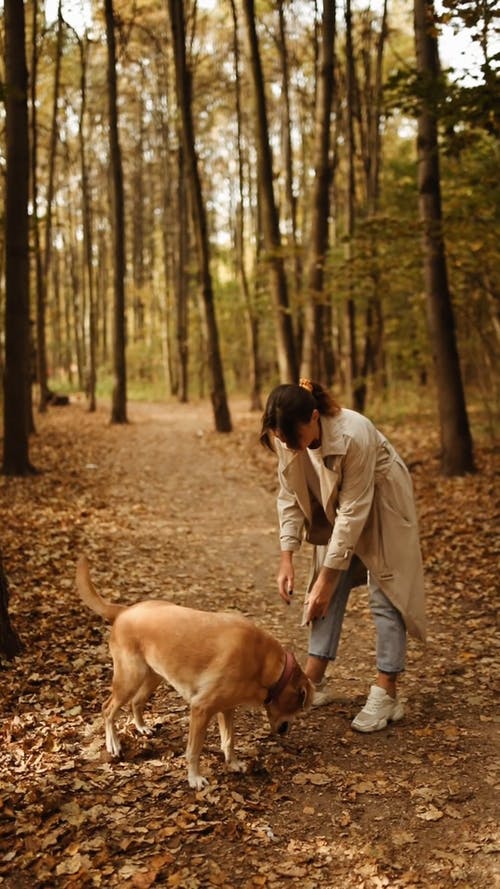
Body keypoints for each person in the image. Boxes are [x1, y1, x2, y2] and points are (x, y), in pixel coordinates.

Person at [260, 379, 426, 733]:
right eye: (283, 439)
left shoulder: (354, 433)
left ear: (315, 417)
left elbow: (354, 511)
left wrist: (327, 579)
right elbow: (288, 496)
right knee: (321, 592)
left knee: (385, 593)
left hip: (381, 503)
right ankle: (312, 679)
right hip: (339, 505)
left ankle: (387, 692)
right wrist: (287, 555)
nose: (290, 445)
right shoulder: (286, 436)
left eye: (294, 438)